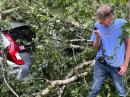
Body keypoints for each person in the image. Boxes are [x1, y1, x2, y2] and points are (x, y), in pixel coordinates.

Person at [86, 4, 130, 97]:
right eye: (99, 21)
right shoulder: (97, 25)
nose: (100, 23)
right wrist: (98, 37)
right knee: (94, 89)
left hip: (116, 65)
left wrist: (125, 65)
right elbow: (94, 48)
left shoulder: (122, 24)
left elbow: (128, 45)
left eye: (102, 21)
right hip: (101, 63)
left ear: (110, 17)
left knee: (120, 92)